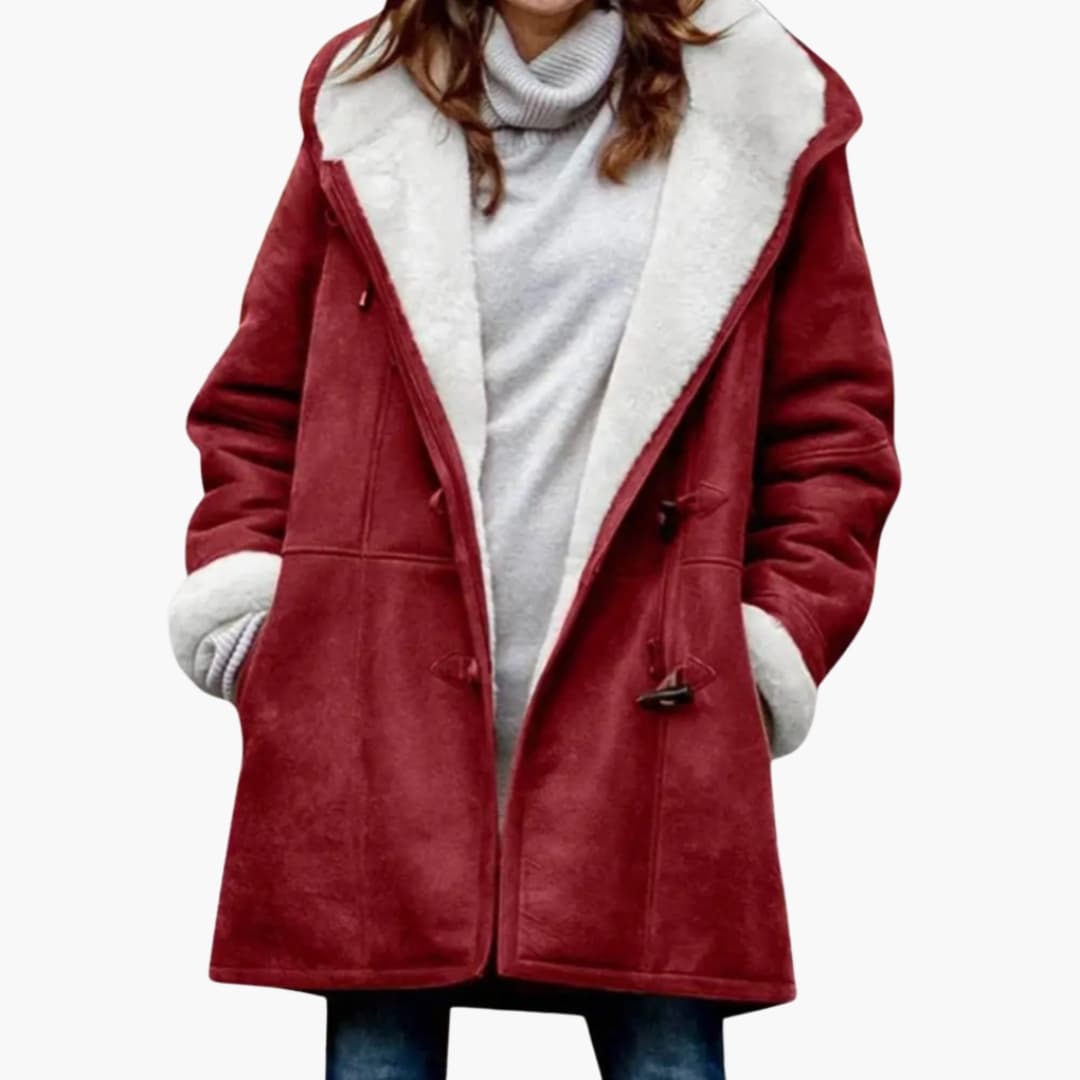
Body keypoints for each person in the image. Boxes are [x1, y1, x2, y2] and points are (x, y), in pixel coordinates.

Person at [166, 0, 900, 1075]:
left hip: (652, 713)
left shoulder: (759, 110)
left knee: (667, 1057)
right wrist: (254, 617)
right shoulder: (369, 99)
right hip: (376, 711)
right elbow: (256, 402)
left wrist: (761, 645)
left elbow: (835, 430)